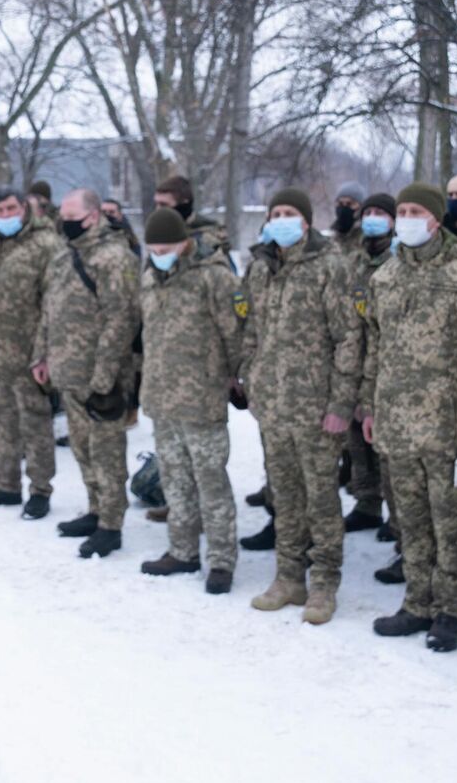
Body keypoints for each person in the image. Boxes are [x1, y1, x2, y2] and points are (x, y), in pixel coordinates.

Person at [360, 183, 457, 651]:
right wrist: (371, 406)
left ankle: (449, 611)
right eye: (403, 211)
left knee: (451, 523)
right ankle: (417, 602)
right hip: (397, 422)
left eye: (417, 211)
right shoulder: (387, 276)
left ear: (437, 219)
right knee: (411, 522)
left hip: (448, 425)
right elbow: (374, 347)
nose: (407, 218)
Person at [240, 187, 365, 624]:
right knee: (285, 497)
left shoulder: (329, 266)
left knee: (321, 498)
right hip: (274, 407)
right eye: (275, 213)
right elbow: (252, 332)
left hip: (317, 409)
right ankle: (288, 577)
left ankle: (324, 583)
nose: (281, 219)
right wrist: (253, 379)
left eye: (290, 213)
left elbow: (349, 338)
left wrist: (341, 402)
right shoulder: (261, 268)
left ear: (306, 221)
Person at [137, 209, 246, 594]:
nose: (158, 253)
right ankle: (181, 551)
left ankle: (221, 560)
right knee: (175, 480)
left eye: (165, 247)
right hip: (162, 397)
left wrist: (235, 377)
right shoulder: (151, 278)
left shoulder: (214, 277)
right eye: (152, 248)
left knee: (211, 481)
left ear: (184, 244)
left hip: (201, 399)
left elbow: (236, 335)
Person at [33, 188, 141, 558]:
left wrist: (104, 377)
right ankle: (95, 509)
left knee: (107, 451)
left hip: (100, 377)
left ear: (93, 216)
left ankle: (111, 523)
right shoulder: (66, 254)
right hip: (67, 370)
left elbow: (121, 320)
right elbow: (50, 309)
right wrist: (41, 356)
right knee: (82, 448)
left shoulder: (114, 257)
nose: (64, 220)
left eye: (71, 214)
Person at [0, 188, 65, 518]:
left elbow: (55, 301)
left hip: (28, 351)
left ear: (24, 209)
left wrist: (45, 352)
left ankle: (40, 489)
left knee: (34, 423)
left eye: (11, 209)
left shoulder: (46, 244)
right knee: (0, 420)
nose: (5, 215)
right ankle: (5, 484)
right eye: (0, 210)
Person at [344, 193, 398, 537]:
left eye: (381, 212)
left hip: (387, 361)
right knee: (356, 438)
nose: (373, 218)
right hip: (354, 355)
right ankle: (367, 503)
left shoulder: (397, 259)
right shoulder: (353, 260)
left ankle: (398, 519)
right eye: (369, 212)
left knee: (384, 443)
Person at [154, 174, 234, 257]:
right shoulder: (159, 236)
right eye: (156, 204)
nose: (158, 210)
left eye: (164, 205)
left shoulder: (210, 235)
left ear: (183, 204)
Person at [332, 182, 366, 252]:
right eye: (340, 203)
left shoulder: (366, 237)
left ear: (361, 207)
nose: (344, 208)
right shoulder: (331, 235)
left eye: (350, 204)